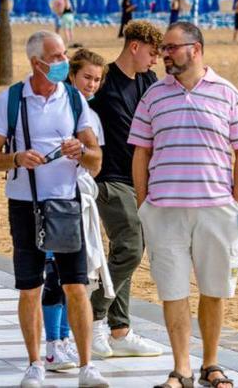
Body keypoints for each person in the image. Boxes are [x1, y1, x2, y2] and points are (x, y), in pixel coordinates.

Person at [130, 22, 238, 388]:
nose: (165, 53)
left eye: (171, 47)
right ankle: (181, 368)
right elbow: (141, 152)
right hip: (164, 211)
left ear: (195, 49)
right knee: (173, 291)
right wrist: (144, 204)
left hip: (217, 211)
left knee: (214, 289)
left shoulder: (228, 93)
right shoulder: (153, 96)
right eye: (164, 48)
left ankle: (211, 364)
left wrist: (236, 204)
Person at [0, 31, 107, 388]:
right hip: (24, 204)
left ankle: (87, 367)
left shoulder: (73, 99)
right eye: (55, 57)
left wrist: (80, 151)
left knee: (76, 286)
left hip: (67, 203)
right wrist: (16, 157)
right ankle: (35, 363)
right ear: (35, 62)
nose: (63, 62)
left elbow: (96, 160)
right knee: (30, 286)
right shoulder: (11, 100)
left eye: (63, 55)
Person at [86, 21, 164, 360]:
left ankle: (119, 330)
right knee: (131, 248)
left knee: (125, 250)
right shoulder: (105, 84)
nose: (155, 60)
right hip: (110, 178)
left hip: (141, 179)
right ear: (134, 47)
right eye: (151, 53)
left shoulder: (149, 81)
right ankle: (91, 315)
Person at [42, 48, 111, 372]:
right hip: (54, 199)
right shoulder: (57, 108)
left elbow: (95, 162)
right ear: (72, 75)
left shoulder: (90, 115)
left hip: (79, 199)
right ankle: (53, 346)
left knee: (77, 277)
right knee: (55, 274)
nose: (92, 84)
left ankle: (65, 340)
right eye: (87, 77)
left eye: (97, 79)